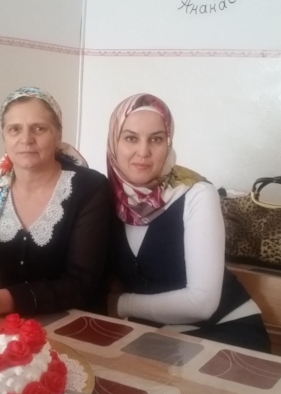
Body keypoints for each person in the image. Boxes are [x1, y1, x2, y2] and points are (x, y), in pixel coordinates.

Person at [105, 93, 271, 353]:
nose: (143, 152)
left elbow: (202, 303)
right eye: (130, 138)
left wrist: (119, 304)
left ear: (168, 142)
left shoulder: (196, 193)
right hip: (155, 337)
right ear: (113, 142)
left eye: (156, 139)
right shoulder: (105, 197)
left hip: (225, 330)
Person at [0, 87, 111, 318]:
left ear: (58, 136)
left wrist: (0, 300)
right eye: (14, 129)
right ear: (4, 136)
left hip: (74, 321)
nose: (26, 139)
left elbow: (82, 282)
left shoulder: (89, 187)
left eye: (39, 128)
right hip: (5, 321)